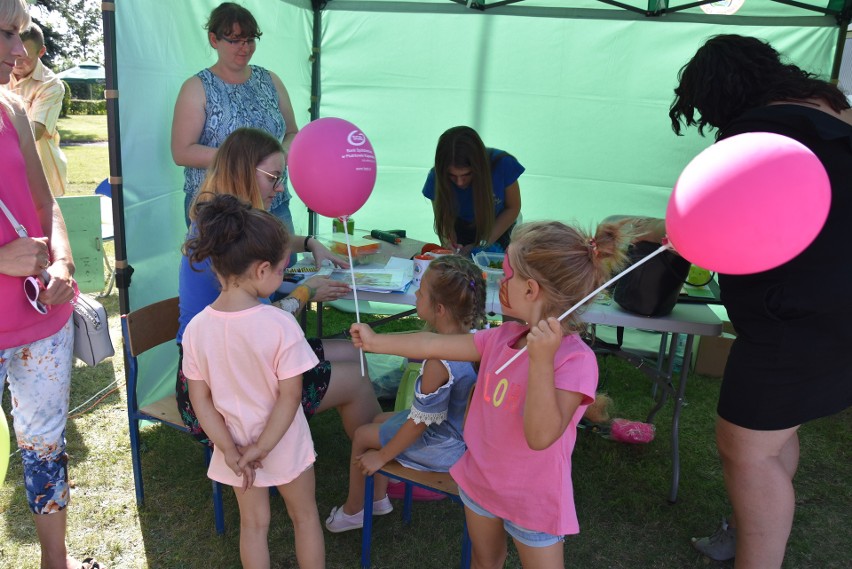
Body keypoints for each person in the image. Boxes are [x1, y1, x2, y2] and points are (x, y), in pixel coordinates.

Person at [669, 34, 852, 567]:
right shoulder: (831, 109)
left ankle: (756, 556)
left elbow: (737, 221)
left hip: (796, 313)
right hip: (832, 307)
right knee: (771, 438)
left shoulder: (757, 133)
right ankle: (749, 529)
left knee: (745, 451)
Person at [350, 221, 628, 568]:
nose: (500, 283)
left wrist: (541, 361)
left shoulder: (575, 361)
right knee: (486, 561)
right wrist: (377, 342)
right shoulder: (503, 337)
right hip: (481, 483)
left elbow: (540, 436)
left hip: (533, 499)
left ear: (531, 289)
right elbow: (434, 343)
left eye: (506, 275)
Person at [177, 128, 384, 496]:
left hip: (234, 362)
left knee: (355, 354)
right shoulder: (219, 234)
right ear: (244, 171)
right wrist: (306, 290)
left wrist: (310, 242)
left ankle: (374, 472)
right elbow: (266, 322)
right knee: (356, 378)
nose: (280, 188)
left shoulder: (223, 223)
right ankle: (372, 483)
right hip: (225, 379)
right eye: (274, 177)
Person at [0, 2, 101, 568]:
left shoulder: (12, 107)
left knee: (44, 448)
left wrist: (61, 261)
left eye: (21, 34)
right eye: (7, 34)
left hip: (43, 320)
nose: (22, 50)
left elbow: (45, 203)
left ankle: (54, 563)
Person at [181, 194, 324, 569]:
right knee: (305, 518)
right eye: (281, 270)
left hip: (235, 446)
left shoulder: (197, 328)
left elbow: (200, 401)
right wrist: (263, 448)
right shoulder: (279, 324)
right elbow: (291, 396)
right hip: (283, 444)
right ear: (262, 271)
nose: (281, 277)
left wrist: (229, 450)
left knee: (253, 526)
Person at [325, 255, 486, 533]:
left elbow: (419, 423)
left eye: (420, 291)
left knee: (364, 435)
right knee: (377, 418)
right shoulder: (472, 337)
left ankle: (354, 510)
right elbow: (418, 343)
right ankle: (376, 499)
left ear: (439, 308)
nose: (415, 293)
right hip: (455, 431)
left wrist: (383, 455)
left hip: (443, 445)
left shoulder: (438, 364)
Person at [171, 2, 298, 229]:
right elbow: (182, 152)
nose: (245, 47)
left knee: (281, 264)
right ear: (213, 40)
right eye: (235, 40)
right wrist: (244, 159)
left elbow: (291, 132)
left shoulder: (270, 80)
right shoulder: (197, 87)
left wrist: (278, 157)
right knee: (223, 265)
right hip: (218, 208)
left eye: (249, 40)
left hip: (272, 202)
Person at [422, 126, 524, 255]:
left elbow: (513, 207)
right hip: (461, 228)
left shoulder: (503, 164)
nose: (459, 182)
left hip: (500, 225)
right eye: (451, 175)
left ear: (479, 167)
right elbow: (443, 220)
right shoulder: (435, 177)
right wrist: (449, 243)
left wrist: (483, 243)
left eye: (467, 174)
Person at [7, 22, 67, 196]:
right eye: (14, 55)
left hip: (42, 174)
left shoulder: (51, 85)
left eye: (25, 58)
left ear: (41, 52)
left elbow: (36, 131)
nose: (16, 63)